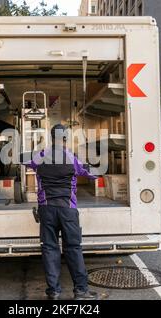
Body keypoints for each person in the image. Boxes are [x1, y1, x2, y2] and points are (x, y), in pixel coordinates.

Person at [25, 124, 99, 300]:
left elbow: (28, 163)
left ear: (51, 137)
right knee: (73, 248)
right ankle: (81, 291)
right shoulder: (72, 158)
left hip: (47, 209)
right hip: (68, 210)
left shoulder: (40, 157)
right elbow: (90, 174)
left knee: (49, 249)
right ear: (65, 138)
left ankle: (54, 292)